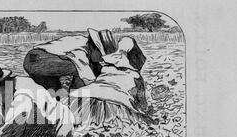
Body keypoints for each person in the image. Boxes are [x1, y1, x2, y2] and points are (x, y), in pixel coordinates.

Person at [23, 28, 153, 125]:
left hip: (37, 62)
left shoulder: (84, 45)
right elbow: (87, 77)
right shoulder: (80, 51)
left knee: (54, 93)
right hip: (37, 59)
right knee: (76, 70)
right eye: (101, 56)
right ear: (95, 48)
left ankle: (53, 109)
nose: (101, 59)